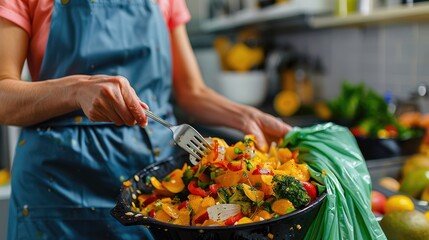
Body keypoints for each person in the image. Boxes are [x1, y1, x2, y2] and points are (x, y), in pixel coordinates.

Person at [0, 0, 291, 239]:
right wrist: (75, 89)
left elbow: (191, 91)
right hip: (58, 189)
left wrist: (248, 116)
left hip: (152, 189)